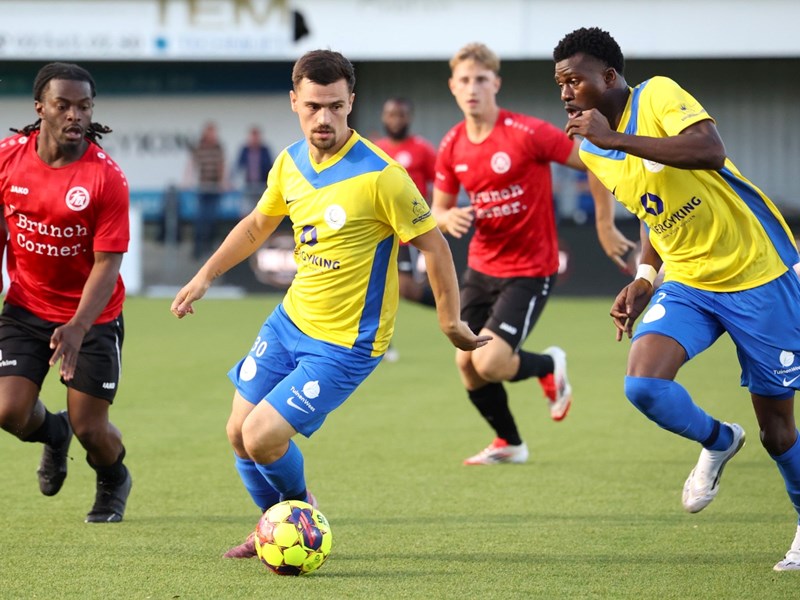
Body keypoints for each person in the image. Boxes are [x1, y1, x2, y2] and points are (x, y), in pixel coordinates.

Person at [170, 49, 490, 559]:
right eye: (314, 106)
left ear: (351, 103)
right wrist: (205, 275)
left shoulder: (380, 175)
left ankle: (300, 514)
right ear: (294, 101)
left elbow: (433, 244)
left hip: (346, 342)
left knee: (261, 438)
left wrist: (450, 321)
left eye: (336, 107)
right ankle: (273, 525)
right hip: (289, 322)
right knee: (237, 432)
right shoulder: (289, 162)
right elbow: (257, 225)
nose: (324, 118)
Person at [552, 26, 800, 571]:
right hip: (688, 279)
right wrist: (645, 275)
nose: (567, 92)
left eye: (575, 80)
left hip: (759, 273)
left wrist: (616, 139)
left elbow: (710, 151)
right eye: (560, 84)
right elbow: (650, 206)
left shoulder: (657, 94)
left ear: (610, 77)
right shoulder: (592, 147)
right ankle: (717, 439)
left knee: (777, 429)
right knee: (642, 384)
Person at [432, 42, 634, 466]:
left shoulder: (526, 133)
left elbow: (594, 157)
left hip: (530, 268)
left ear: (496, 83)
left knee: (488, 363)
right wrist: (447, 219)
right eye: (465, 80)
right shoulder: (452, 145)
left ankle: (546, 365)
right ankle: (511, 443)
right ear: (453, 86)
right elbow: (439, 207)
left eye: (481, 80)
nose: (473, 88)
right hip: (481, 268)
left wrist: (603, 224)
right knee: (465, 361)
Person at [0, 62, 132, 523]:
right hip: (25, 307)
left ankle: (114, 478)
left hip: (91, 317)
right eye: (64, 105)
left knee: (91, 429)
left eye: (84, 106)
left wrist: (76, 325)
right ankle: (53, 433)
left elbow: (108, 263)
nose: (75, 115)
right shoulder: (7, 158)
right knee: (8, 410)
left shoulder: (106, 177)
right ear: (41, 108)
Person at [374, 97, 438, 310]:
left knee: (406, 287)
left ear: (408, 118)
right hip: (379, 229)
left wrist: (432, 209)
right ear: (384, 117)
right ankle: (382, 343)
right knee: (374, 287)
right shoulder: (376, 149)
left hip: (407, 232)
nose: (396, 120)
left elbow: (441, 182)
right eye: (391, 114)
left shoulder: (422, 149)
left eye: (400, 115)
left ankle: (459, 311)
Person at [185, 121, 227, 259]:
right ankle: (198, 249)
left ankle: (210, 248)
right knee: (200, 219)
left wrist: (222, 182)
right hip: (203, 188)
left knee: (212, 218)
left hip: (214, 188)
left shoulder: (218, 147)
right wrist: (188, 181)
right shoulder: (200, 147)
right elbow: (191, 164)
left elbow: (221, 165)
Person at [235, 126, 273, 215]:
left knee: (262, 212)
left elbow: (270, 166)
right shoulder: (244, 150)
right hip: (248, 186)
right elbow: (239, 166)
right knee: (246, 211)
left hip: (261, 185)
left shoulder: (265, 150)